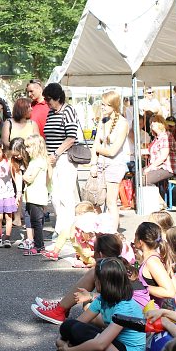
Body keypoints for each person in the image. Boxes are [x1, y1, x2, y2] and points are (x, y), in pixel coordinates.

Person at [54, 257, 145, 351]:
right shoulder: (103, 299)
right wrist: (61, 340)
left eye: (95, 278)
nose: (94, 281)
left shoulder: (125, 307)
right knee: (68, 326)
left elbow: (100, 345)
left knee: (84, 332)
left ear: (103, 282)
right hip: (109, 350)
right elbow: (77, 324)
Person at [33, 233, 133, 325]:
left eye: (94, 250)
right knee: (89, 298)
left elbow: (117, 298)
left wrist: (91, 296)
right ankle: (62, 306)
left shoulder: (112, 272)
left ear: (100, 254)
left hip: (119, 320)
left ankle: (60, 310)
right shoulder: (119, 266)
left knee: (88, 303)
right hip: (122, 313)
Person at [43, 82, 80, 239]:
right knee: (55, 196)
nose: (47, 102)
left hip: (65, 158)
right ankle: (61, 227)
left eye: (49, 99)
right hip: (52, 159)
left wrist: (56, 154)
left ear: (58, 98)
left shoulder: (68, 111)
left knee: (66, 196)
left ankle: (68, 230)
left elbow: (71, 137)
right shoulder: (51, 113)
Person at [90, 90, 130, 231]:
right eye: (102, 104)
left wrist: (98, 149)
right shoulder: (103, 120)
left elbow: (113, 151)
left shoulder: (123, 123)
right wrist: (93, 164)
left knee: (111, 201)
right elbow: (95, 143)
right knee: (96, 200)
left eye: (105, 105)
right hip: (100, 164)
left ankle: (113, 232)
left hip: (114, 165)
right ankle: (101, 229)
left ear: (114, 105)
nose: (102, 107)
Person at [133, 221, 176, 306]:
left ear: (141, 242)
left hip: (151, 310)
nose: (133, 239)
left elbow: (170, 292)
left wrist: (143, 287)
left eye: (135, 236)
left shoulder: (152, 261)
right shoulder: (153, 258)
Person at [21, 134, 49, 256]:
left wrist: (22, 176)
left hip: (37, 196)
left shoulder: (39, 162)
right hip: (31, 196)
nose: (26, 150)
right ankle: (36, 244)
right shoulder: (34, 161)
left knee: (37, 222)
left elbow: (29, 178)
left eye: (29, 147)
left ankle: (39, 246)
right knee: (33, 220)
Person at [144, 114, 176, 185]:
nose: (152, 124)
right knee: (137, 177)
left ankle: (156, 193)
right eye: (151, 122)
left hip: (166, 168)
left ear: (161, 124)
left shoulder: (166, 136)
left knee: (144, 180)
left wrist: (150, 168)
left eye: (154, 122)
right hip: (157, 166)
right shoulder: (157, 138)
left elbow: (163, 157)